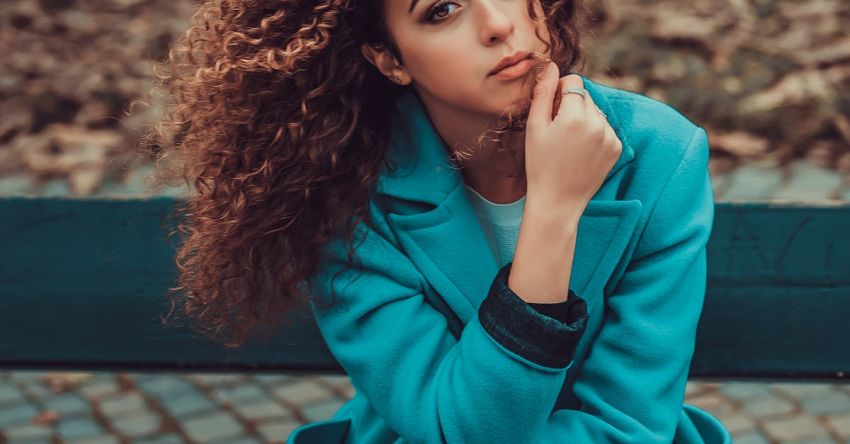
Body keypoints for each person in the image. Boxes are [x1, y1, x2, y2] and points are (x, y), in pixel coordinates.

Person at [138, 0, 733, 442]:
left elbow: (628, 423)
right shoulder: (342, 197)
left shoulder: (659, 156)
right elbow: (458, 429)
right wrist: (553, 212)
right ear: (389, 59)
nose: (498, 23)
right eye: (442, 9)